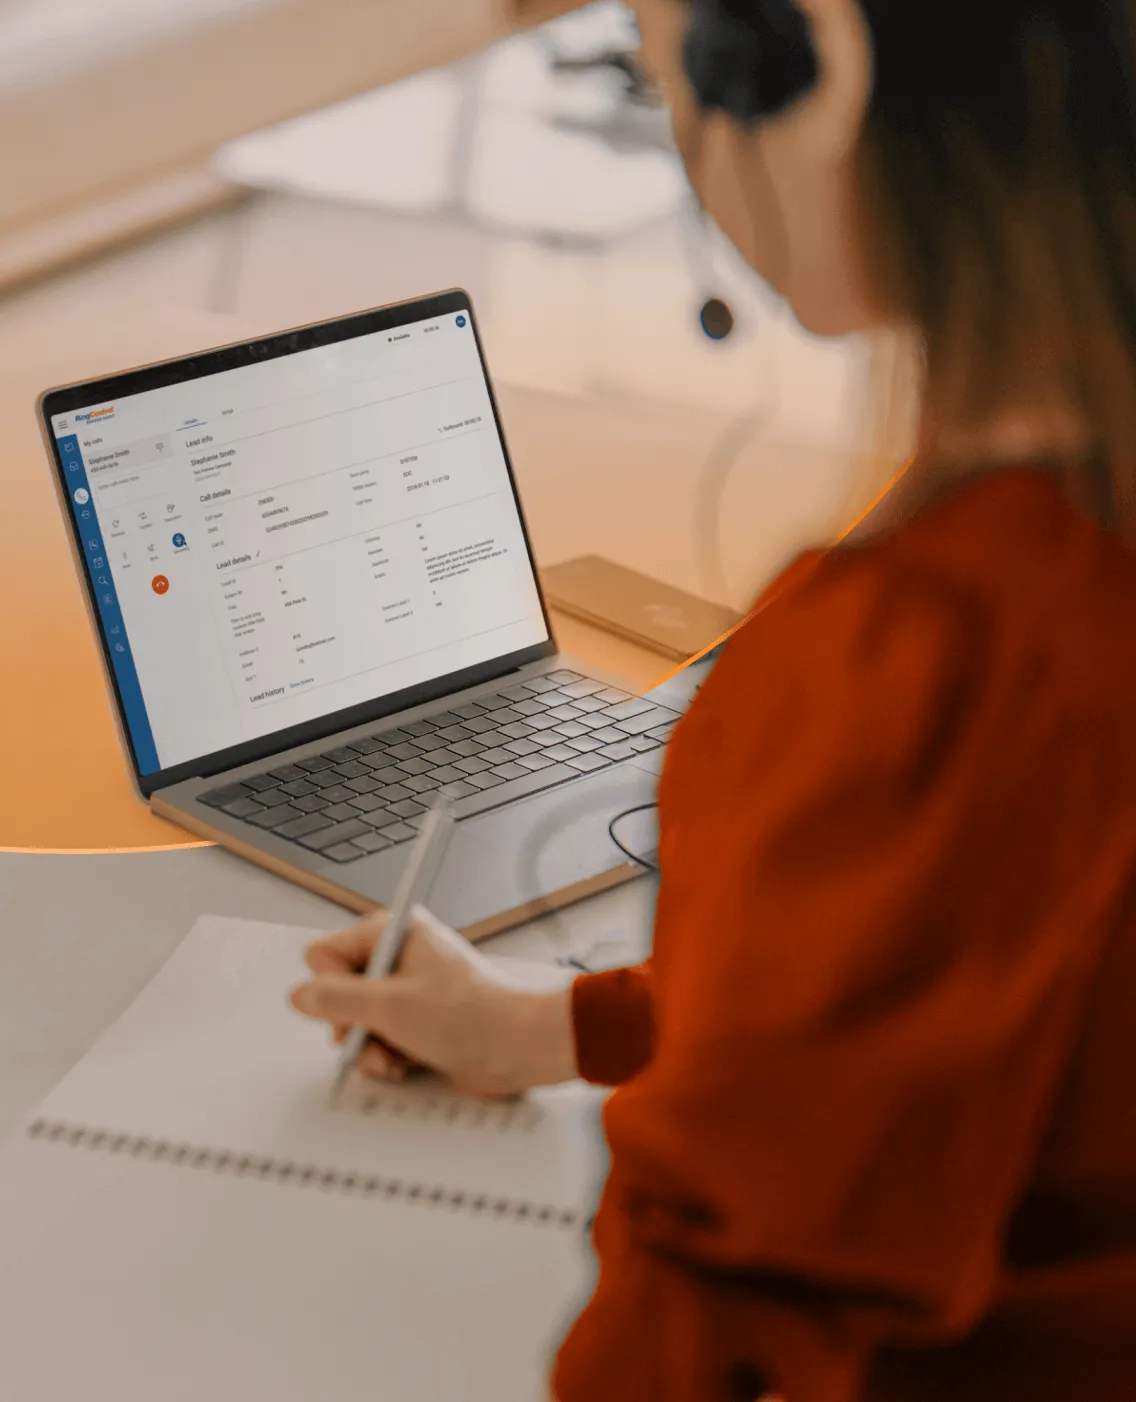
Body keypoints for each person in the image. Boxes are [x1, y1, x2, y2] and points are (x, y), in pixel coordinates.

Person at [290, 1, 1136, 1397]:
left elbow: (725, 1327)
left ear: (808, 60)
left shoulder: (932, 660)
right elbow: (962, 978)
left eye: (663, 61)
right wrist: (545, 1025)